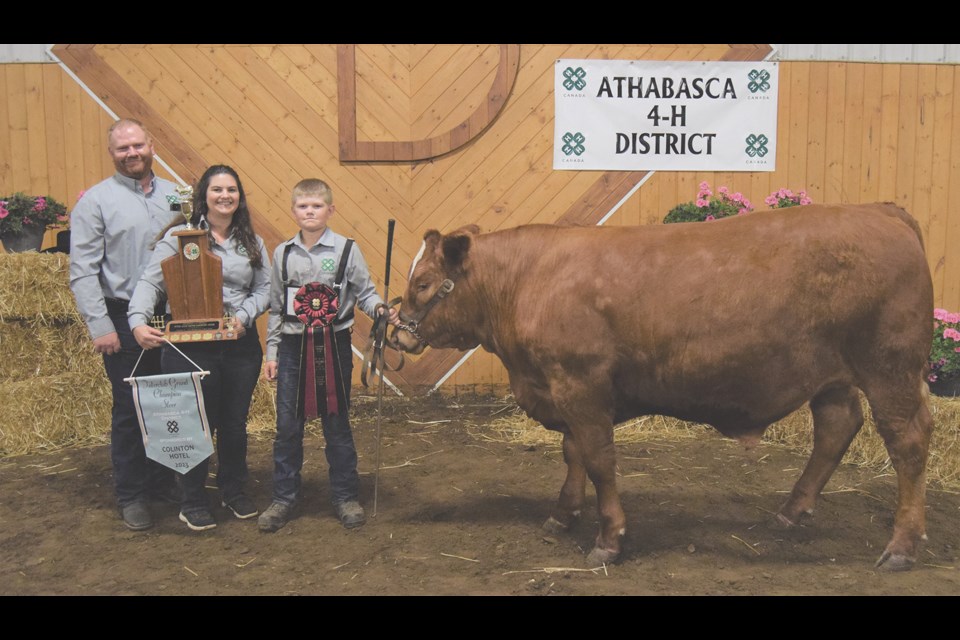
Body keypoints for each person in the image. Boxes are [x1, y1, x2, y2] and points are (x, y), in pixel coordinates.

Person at [129, 165, 270, 531]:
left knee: (234, 424)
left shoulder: (251, 241)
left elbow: (265, 289)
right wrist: (137, 321)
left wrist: (244, 315)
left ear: (239, 196)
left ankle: (233, 489)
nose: (225, 196)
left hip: (239, 346)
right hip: (189, 347)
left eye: (232, 190)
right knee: (192, 426)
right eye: (217, 189)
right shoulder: (180, 236)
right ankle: (191, 498)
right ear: (203, 195)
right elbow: (151, 281)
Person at [258, 178, 398, 533]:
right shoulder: (282, 253)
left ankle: (345, 495)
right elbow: (276, 307)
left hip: (334, 347)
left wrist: (379, 308)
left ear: (330, 210)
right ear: (294, 212)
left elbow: (364, 293)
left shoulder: (347, 251)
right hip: (292, 348)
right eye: (303, 206)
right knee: (287, 426)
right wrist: (271, 352)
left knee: (337, 422)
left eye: (317, 206)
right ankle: (284, 496)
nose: (310, 212)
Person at [69, 118, 182, 531]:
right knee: (130, 408)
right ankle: (132, 494)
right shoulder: (96, 202)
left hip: (175, 315)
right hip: (121, 314)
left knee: (171, 401)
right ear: (111, 153)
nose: (132, 153)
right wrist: (100, 324)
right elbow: (82, 271)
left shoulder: (178, 196)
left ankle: (164, 481)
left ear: (151, 145)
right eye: (122, 149)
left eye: (137, 145)